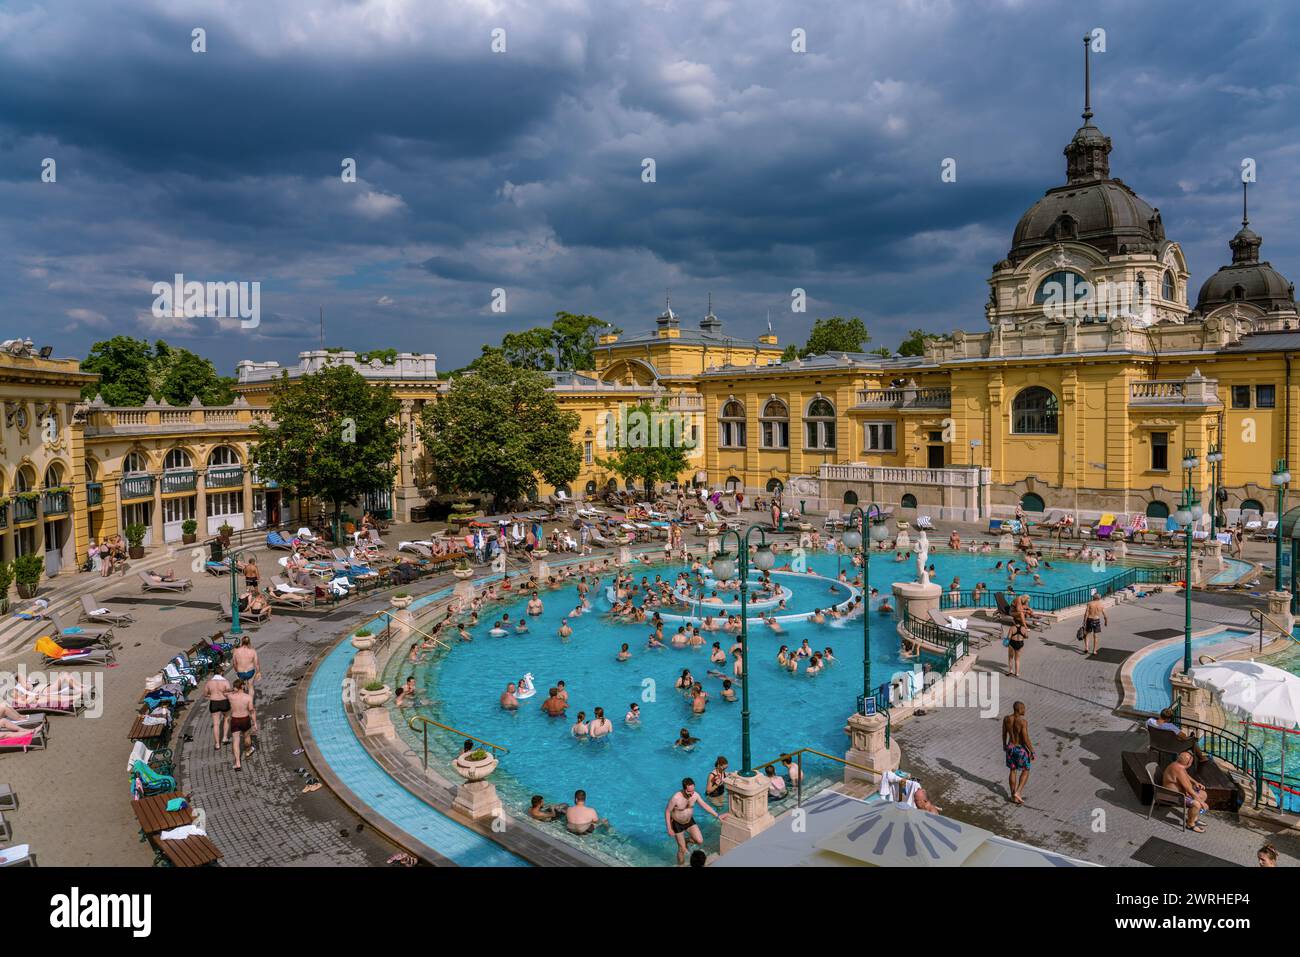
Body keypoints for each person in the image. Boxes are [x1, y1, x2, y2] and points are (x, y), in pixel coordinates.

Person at [665, 777, 723, 865]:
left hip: (689, 821)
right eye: (689, 791)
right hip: (677, 824)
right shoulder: (676, 798)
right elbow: (667, 811)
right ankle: (680, 865)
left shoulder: (695, 795)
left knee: (699, 841)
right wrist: (669, 828)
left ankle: (687, 840)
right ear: (684, 789)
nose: (691, 793)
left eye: (693, 790)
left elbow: (704, 805)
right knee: (682, 849)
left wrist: (717, 815)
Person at [1162, 751, 1209, 833]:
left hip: (1179, 793)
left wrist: (1195, 782)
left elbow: (1185, 774)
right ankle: (1190, 824)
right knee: (1196, 804)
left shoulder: (1178, 765)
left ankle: (1194, 818)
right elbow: (1189, 790)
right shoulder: (1179, 769)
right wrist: (1201, 802)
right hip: (1173, 796)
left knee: (1203, 794)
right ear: (1189, 762)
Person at [1001, 701, 1034, 805]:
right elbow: (1025, 738)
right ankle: (1018, 792)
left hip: (1010, 747)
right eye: (1023, 708)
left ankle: (1013, 796)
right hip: (1020, 749)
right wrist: (1032, 750)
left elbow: (1004, 733)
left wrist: (1004, 745)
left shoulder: (1006, 719)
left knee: (1013, 770)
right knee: (1026, 770)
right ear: (1019, 709)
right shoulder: (1023, 722)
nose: (1025, 710)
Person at [227, 679, 256, 771]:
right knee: (247, 736)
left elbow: (225, 692)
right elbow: (251, 710)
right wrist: (254, 722)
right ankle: (247, 751)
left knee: (235, 741)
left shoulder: (230, 697)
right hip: (245, 719)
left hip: (235, 719)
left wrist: (233, 689)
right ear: (243, 686)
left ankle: (238, 763)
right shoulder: (248, 697)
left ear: (235, 687)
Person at [203, 669, 231, 749]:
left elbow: (205, 694)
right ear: (221, 672)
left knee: (216, 724)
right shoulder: (225, 681)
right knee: (226, 718)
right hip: (224, 702)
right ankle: (225, 737)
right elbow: (228, 693)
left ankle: (217, 744)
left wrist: (211, 696)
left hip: (214, 703)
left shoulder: (209, 683)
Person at [1082, 590, 1107, 656]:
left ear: (1093, 597)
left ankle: (1086, 648)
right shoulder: (1101, 605)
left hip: (1089, 620)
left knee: (1087, 634)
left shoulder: (1090, 603)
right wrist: (1106, 622)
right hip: (1096, 620)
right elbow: (1105, 615)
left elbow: (1086, 613)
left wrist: (1084, 622)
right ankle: (1094, 651)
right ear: (1099, 598)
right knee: (1095, 636)